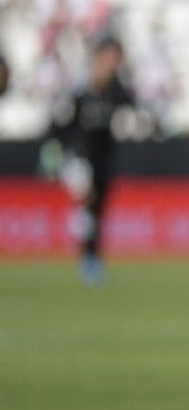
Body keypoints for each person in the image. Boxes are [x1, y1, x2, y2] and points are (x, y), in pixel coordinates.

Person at [39, 37, 135, 284]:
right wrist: (53, 154)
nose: (112, 63)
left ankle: (91, 257)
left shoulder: (119, 92)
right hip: (79, 158)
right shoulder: (81, 92)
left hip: (104, 161)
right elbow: (58, 126)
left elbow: (133, 115)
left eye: (116, 58)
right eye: (108, 57)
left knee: (97, 210)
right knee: (87, 198)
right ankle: (88, 257)